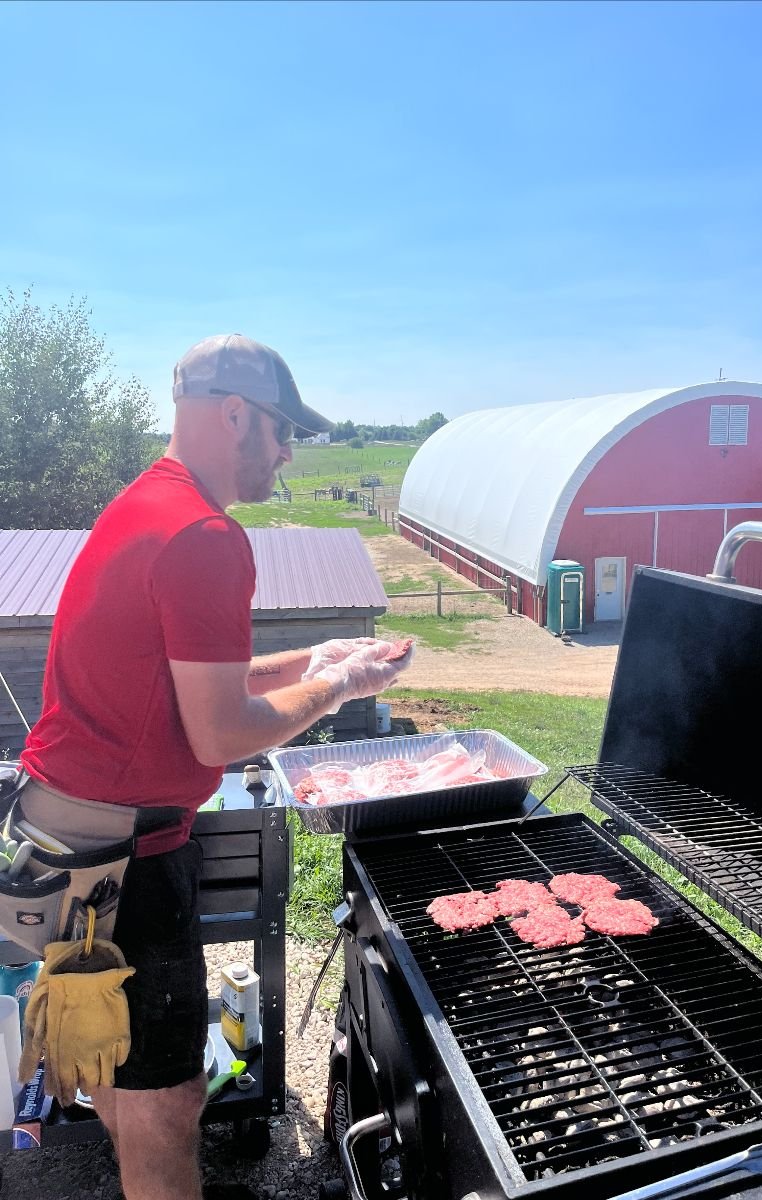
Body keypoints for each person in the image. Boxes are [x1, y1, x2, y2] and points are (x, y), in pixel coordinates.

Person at [18, 334, 411, 1200]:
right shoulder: (204, 533)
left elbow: (190, 683)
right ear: (235, 414)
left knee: (127, 1071)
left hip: (73, 838)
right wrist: (341, 687)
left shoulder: (149, 503)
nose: (288, 452)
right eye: (282, 430)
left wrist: (313, 658)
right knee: (167, 1104)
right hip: (124, 860)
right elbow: (221, 732)